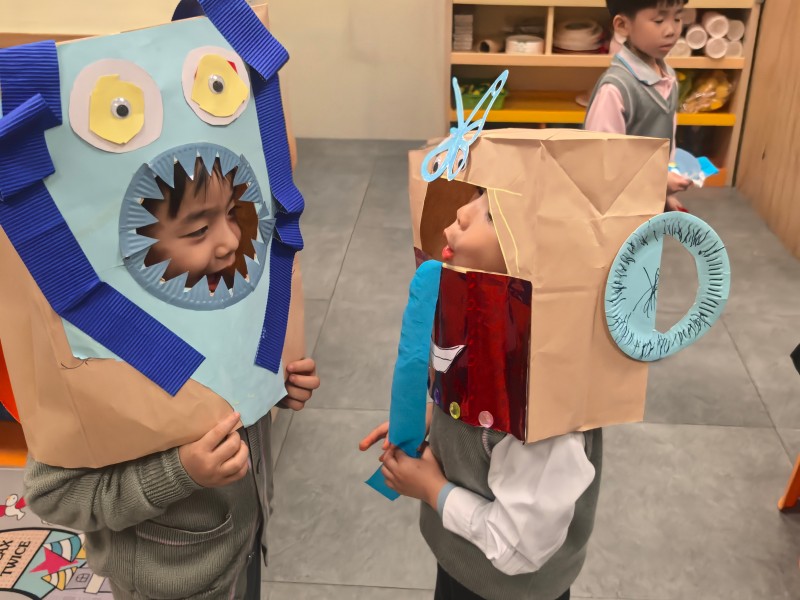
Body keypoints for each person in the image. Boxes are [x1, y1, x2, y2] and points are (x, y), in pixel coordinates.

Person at [23, 154, 320, 600]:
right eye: (198, 230)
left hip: (242, 545)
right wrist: (178, 472)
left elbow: (231, 398)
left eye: (232, 213)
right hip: (169, 583)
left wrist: (274, 388)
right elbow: (52, 492)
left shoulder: (224, 299)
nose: (230, 241)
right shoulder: (96, 360)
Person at [360, 187, 601, 600]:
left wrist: (433, 488)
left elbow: (520, 547)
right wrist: (436, 418)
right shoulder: (484, 331)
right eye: (476, 196)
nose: (461, 212)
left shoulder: (543, 411)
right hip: (460, 563)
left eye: (492, 214)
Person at [584, 0, 692, 212]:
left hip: (650, 201)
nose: (671, 30)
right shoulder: (615, 89)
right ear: (623, 25)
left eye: (677, 18)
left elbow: (668, 140)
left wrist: (666, 193)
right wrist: (658, 182)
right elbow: (602, 165)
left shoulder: (669, 76)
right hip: (617, 209)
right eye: (659, 20)